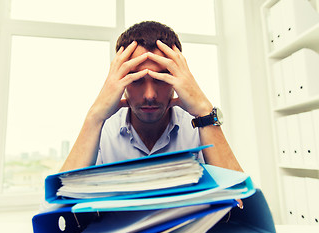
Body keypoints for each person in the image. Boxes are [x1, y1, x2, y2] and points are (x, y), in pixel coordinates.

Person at [60, 21, 243, 173]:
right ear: (119, 80)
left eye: (161, 78)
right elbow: (57, 207)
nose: (150, 95)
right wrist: (94, 116)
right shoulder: (102, 131)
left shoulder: (199, 127)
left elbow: (242, 205)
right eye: (137, 79)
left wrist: (204, 111)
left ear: (178, 78)